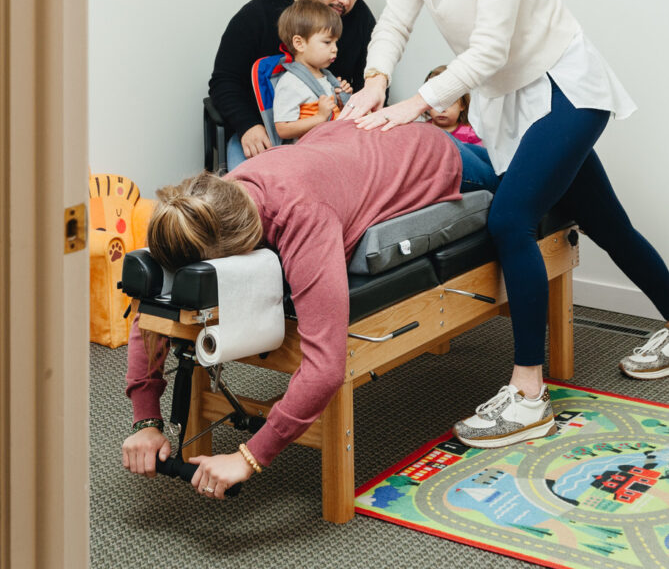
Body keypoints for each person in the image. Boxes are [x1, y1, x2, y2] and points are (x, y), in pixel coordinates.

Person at [340, 0, 669, 448]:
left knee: (510, 217)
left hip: (564, 89)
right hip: (513, 99)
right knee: (605, 220)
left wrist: (415, 103)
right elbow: (395, 20)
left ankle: (527, 395)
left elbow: (489, 50)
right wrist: (376, 78)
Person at [123, 118, 483, 497]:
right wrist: (144, 418)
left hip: (426, 153)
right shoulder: (204, 209)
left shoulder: (303, 215)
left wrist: (249, 456)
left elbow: (326, 368)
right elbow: (154, 309)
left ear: (243, 249)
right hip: (343, 143)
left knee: (511, 172)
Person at [208, 0, 375, 169]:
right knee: (250, 196)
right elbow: (224, 81)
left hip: (332, 138)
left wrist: (347, 99)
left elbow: (371, 85)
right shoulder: (258, 16)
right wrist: (248, 126)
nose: (345, 1)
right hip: (265, 135)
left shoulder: (361, 20)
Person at [273, 0, 353, 141]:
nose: (335, 49)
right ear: (299, 44)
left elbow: (332, 112)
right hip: (311, 150)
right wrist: (320, 117)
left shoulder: (325, 76)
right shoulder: (291, 83)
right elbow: (283, 129)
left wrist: (340, 100)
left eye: (336, 42)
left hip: (334, 141)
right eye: (327, 42)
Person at [423, 64, 481, 144]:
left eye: (449, 102)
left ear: (462, 105)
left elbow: (479, 156)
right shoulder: (423, 131)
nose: (442, 109)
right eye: (436, 103)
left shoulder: (471, 134)